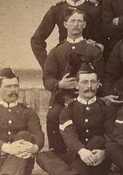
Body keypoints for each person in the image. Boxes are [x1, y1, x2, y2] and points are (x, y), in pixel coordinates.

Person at [0, 68, 79, 175]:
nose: (13, 90)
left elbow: (38, 134)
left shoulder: (27, 111)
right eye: (8, 87)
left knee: (24, 134)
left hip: (22, 160)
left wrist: (34, 148)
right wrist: (7, 148)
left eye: (16, 86)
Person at [41, 8, 105, 154]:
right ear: (65, 24)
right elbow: (47, 78)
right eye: (72, 21)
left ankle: (90, 152)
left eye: (79, 21)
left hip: (89, 96)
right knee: (53, 115)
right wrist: (59, 84)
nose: (76, 24)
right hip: (62, 97)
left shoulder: (92, 50)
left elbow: (101, 76)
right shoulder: (56, 51)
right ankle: (57, 154)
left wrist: (95, 85)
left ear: (84, 25)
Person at [56, 65, 117, 175]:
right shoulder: (68, 109)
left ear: (98, 84)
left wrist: (105, 153)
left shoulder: (106, 107)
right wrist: (81, 150)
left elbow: (111, 134)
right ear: (77, 85)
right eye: (84, 82)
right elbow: (69, 135)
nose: (89, 86)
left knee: (97, 140)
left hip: (98, 158)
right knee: (43, 156)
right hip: (78, 155)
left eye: (93, 82)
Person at [31, 0, 101, 66]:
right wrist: (48, 66)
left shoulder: (94, 9)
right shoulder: (57, 9)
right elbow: (37, 40)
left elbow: (103, 40)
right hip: (64, 64)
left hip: (88, 66)